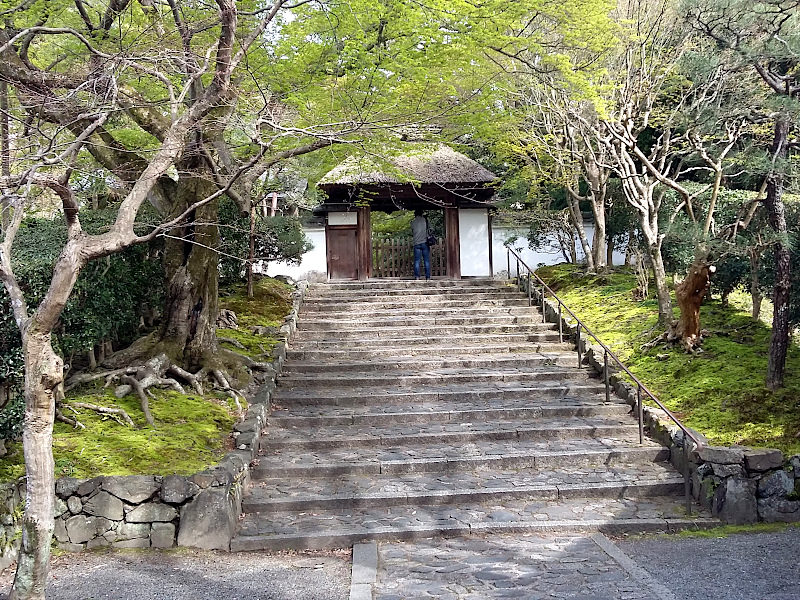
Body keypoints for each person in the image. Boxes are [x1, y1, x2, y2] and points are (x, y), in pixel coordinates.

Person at [410, 209, 431, 280]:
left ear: (415, 215)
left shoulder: (412, 222)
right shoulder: (425, 220)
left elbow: (412, 232)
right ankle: (427, 277)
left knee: (417, 260)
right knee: (426, 260)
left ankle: (417, 277)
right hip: (424, 242)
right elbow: (429, 229)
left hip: (416, 243)